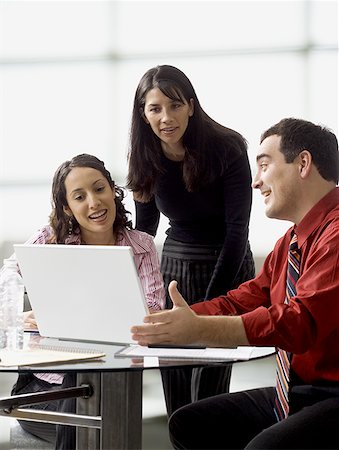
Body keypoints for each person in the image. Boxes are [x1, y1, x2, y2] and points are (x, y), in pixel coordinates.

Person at [131, 118, 339, 449]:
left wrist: (200, 330)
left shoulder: (336, 235)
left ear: (303, 163)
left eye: (264, 165)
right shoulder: (290, 242)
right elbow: (242, 300)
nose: (255, 183)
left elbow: (300, 322)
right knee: (190, 424)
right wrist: (163, 323)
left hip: (332, 394)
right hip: (300, 392)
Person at [2, 153, 165, 449]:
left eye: (99, 189)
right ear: (68, 207)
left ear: (113, 192)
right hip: (43, 391)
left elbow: (153, 312)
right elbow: (7, 277)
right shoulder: (51, 240)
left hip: (112, 385)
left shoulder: (141, 246)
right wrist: (19, 314)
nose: (94, 203)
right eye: (80, 196)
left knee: (97, 405)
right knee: (85, 404)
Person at [127, 64, 255, 415]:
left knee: (209, 393)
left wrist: (211, 308)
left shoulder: (227, 147)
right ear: (144, 114)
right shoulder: (144, 155)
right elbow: (145, 231)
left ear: (192, 106)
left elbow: (237, 232)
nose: (166, 117)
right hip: (175, 273)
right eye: (155, 109)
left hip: (225, 266)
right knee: (177, 391)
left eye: (175, 105)